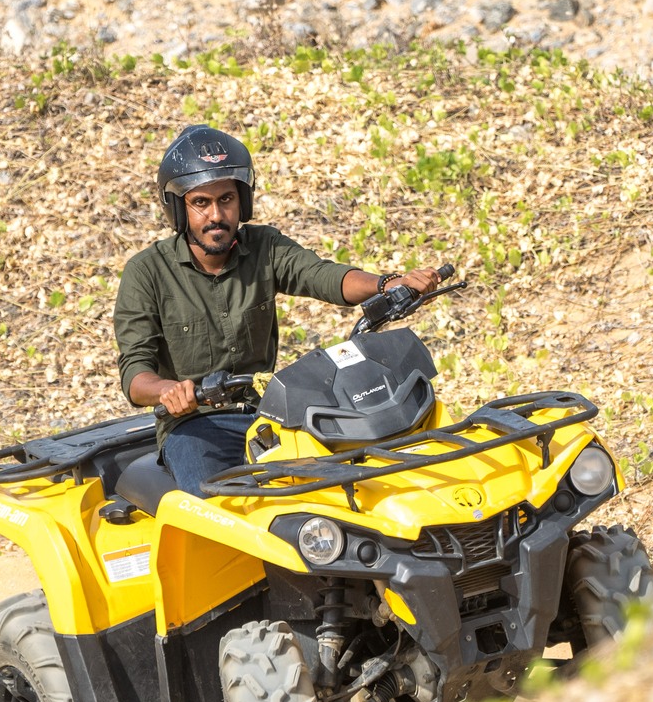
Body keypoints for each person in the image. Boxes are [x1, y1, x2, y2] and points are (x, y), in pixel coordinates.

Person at [115, 125, 440, 495]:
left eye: (226, 199)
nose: (216, 215)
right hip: (195, 425)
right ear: (178, 207)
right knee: (213, 502)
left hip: (272, 414)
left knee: (344, 485)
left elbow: (322, 275)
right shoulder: (147, 272)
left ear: (242, 201)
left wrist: (386, 284)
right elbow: (135, 373)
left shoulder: (265, 247)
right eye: (201, 203)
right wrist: (170, 391)